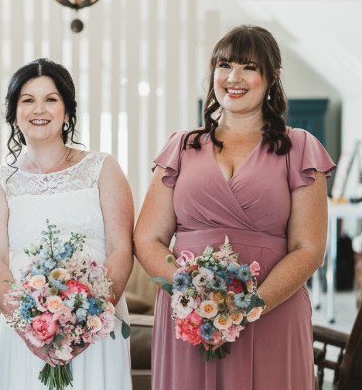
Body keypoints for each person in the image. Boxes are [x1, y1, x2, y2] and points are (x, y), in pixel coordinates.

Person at [134, 25, 336, 389]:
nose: (233, 77)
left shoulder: (300, 147)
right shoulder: (181, 147)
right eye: (224, 65)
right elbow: (148, 237)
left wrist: (249, 307)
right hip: (189, 318)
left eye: (249, 67)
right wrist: (190, 295)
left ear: (271, 78)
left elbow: (309, 249)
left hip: (273, 312)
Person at [0, 58, 134, 389]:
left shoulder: (102, 168)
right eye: (28, 100)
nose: (40, 109)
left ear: (67, 110)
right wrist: (27, 329)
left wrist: (89, 321)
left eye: (51, 99)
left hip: (96, 323)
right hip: (28, 329)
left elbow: (122, 248)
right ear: (14, 112)